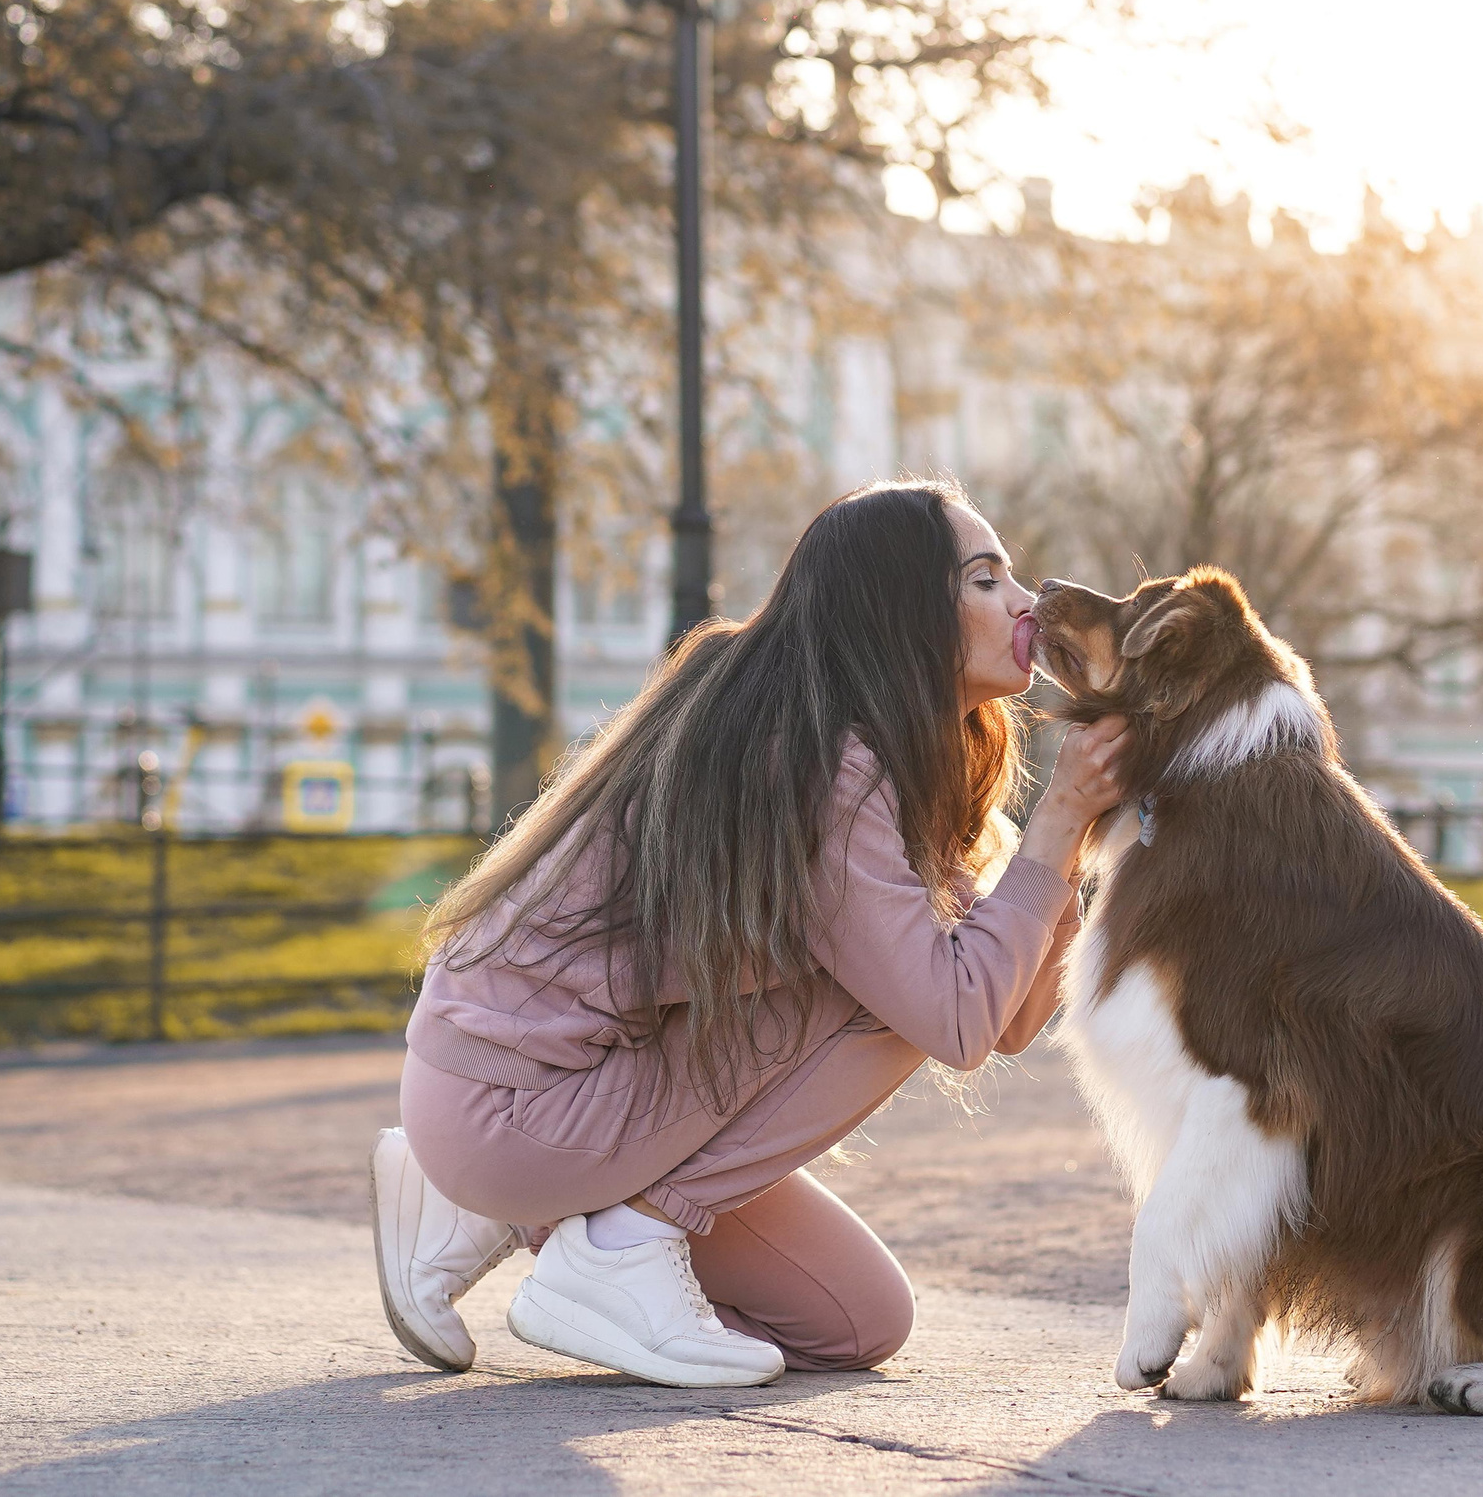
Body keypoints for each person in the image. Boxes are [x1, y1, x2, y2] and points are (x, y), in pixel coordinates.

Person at [370, 480, 1127, 1388]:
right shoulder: (820, 759)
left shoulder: (886, 744)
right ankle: (619, 1245)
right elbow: (957, 1019)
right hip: (513, 1102)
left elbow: (1004, 1016)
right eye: (985, 577)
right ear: (899, 607)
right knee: (893, 988)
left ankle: (483, 1214)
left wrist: (1072, 838)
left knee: (857, 1319)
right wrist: (1056, 824)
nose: (1026, 603)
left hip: (554, 1096)